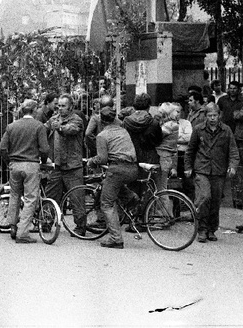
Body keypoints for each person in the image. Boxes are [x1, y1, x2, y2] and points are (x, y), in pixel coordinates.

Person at [185, 102, 239, 243]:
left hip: (218, 170)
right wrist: (188, 167)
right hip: (202, 169)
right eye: (210, 115)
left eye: (215, 115)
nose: (213, 118)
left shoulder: (226, 130)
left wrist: (232, 166)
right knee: (205, 197)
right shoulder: (198, 129)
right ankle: (202, 229)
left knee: (215, 201)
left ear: (219, 115)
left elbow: (233, 151)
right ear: (205, 116)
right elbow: (190, 150)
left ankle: (211, 229)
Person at [0, 99, 49, 244]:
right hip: (31, 165)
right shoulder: (39, 126)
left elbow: (2, 147)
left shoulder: (12, 126)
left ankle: (12, 226)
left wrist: (9, 161)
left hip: (15, 165)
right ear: (34, 110)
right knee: (30, 198)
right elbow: (45, 149)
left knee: (14, 195)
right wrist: (43, 161)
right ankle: (23, 232)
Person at [87, 107, 138, 249]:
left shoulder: (102, 135)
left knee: (106, 203)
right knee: (112, 184)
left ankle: (116, 238)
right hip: (133, 169)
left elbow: (102, 159)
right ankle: (131, 198)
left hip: (118, 169)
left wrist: (92, 161)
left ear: (101, 121)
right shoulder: (123, 131)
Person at [44, 94, 86, 235]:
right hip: (57, 165)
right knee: (51, 195)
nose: (60, 109)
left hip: (73, 166)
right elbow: (43, 129)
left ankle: (80, 227)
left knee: (77, 198)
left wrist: (60, 128)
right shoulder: (54, 119)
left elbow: (72, 129)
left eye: (63, 106)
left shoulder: (76, 119)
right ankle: (46, 223)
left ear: (71, 107)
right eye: (59, 106)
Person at [123, 93, 163, 189]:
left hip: (132, 158)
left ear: (134, 106)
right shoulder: (154, 123)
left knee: (132, 188)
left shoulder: (126, 122)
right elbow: (158, 141)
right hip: (150, 159)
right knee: (151, 189)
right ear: (149, 106)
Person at [155, 102, 180, 189]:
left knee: (161, 188)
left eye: (160, 112)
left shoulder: (170, 126)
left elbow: (157, 136)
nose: (158, 114)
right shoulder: (172, 124)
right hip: (166, 158)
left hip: (163, 157)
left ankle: (165, 203)